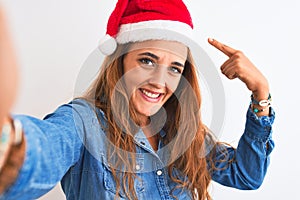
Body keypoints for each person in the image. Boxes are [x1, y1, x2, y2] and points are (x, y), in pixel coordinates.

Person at [0, 0, 275, 199]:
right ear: (119, 63)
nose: (159, 81)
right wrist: (8, 141)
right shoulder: (82, 122)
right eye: (147, 60)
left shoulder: (184, 133)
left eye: (174, 68)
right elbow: (43, 150)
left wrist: (260, 93)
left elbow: (247, 175)